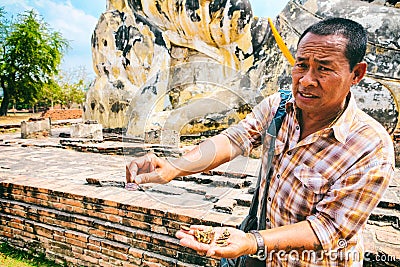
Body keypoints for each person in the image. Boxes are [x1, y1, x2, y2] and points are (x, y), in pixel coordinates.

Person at [126, 18, 395, 266]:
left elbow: (329, 228)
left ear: (356, 74)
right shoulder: (279, 106)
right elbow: (234, 139)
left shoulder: (370, 147)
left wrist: (252, 242)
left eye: (323, 69)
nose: (306, 80)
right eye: (301, 65)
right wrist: (175, 167)